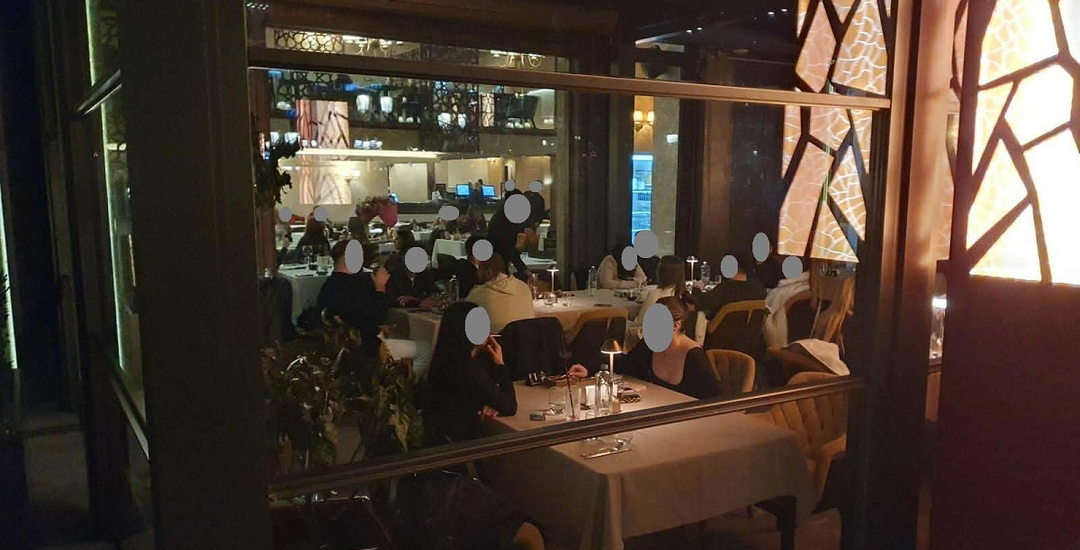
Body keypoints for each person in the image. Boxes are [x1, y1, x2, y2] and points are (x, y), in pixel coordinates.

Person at [317, 240, 432, 373]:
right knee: (426, 350)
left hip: (348, 344)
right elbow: (375, 316)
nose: (362, 260)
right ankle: (410, 384)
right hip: (363, 348)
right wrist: (380, 287)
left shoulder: (331, 284)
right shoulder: (350, 286)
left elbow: (355, 316)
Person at [423, 301, 518, 443]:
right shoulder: (468, 369)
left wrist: (489, 401)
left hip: (442, 443)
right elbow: (510, 406)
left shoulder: (444, 360)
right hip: (464, 447)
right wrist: (500, 364)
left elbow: (488, 393)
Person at [619, 296, 721, 400]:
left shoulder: (695, 357)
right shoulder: (648, 346)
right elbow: (622, 367)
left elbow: (714, 400)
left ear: (676, 325)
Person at [631, 255, 705, 343]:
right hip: (682, 345)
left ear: (660, 273)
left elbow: (640, 326)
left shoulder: (655, 296)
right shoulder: (688, 299)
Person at [464, 253, 535, 333]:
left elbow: (464, 318)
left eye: (479, 269)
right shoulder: (524, 287)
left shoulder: (479, 293)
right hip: (527, 338)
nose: (477, 273)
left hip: (495, 340)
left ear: (488, 272)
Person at [696, 251, 767, 319]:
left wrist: (697, 289)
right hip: (750, 327)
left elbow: (701, 304)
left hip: (720, 327)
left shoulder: (725, 290)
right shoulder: (759, 288)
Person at [486, 190, 530, 281]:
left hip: (496, 256)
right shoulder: (505, 218)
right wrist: (523, 268)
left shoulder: (502, 214)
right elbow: (507, 246)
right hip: (498, 259)